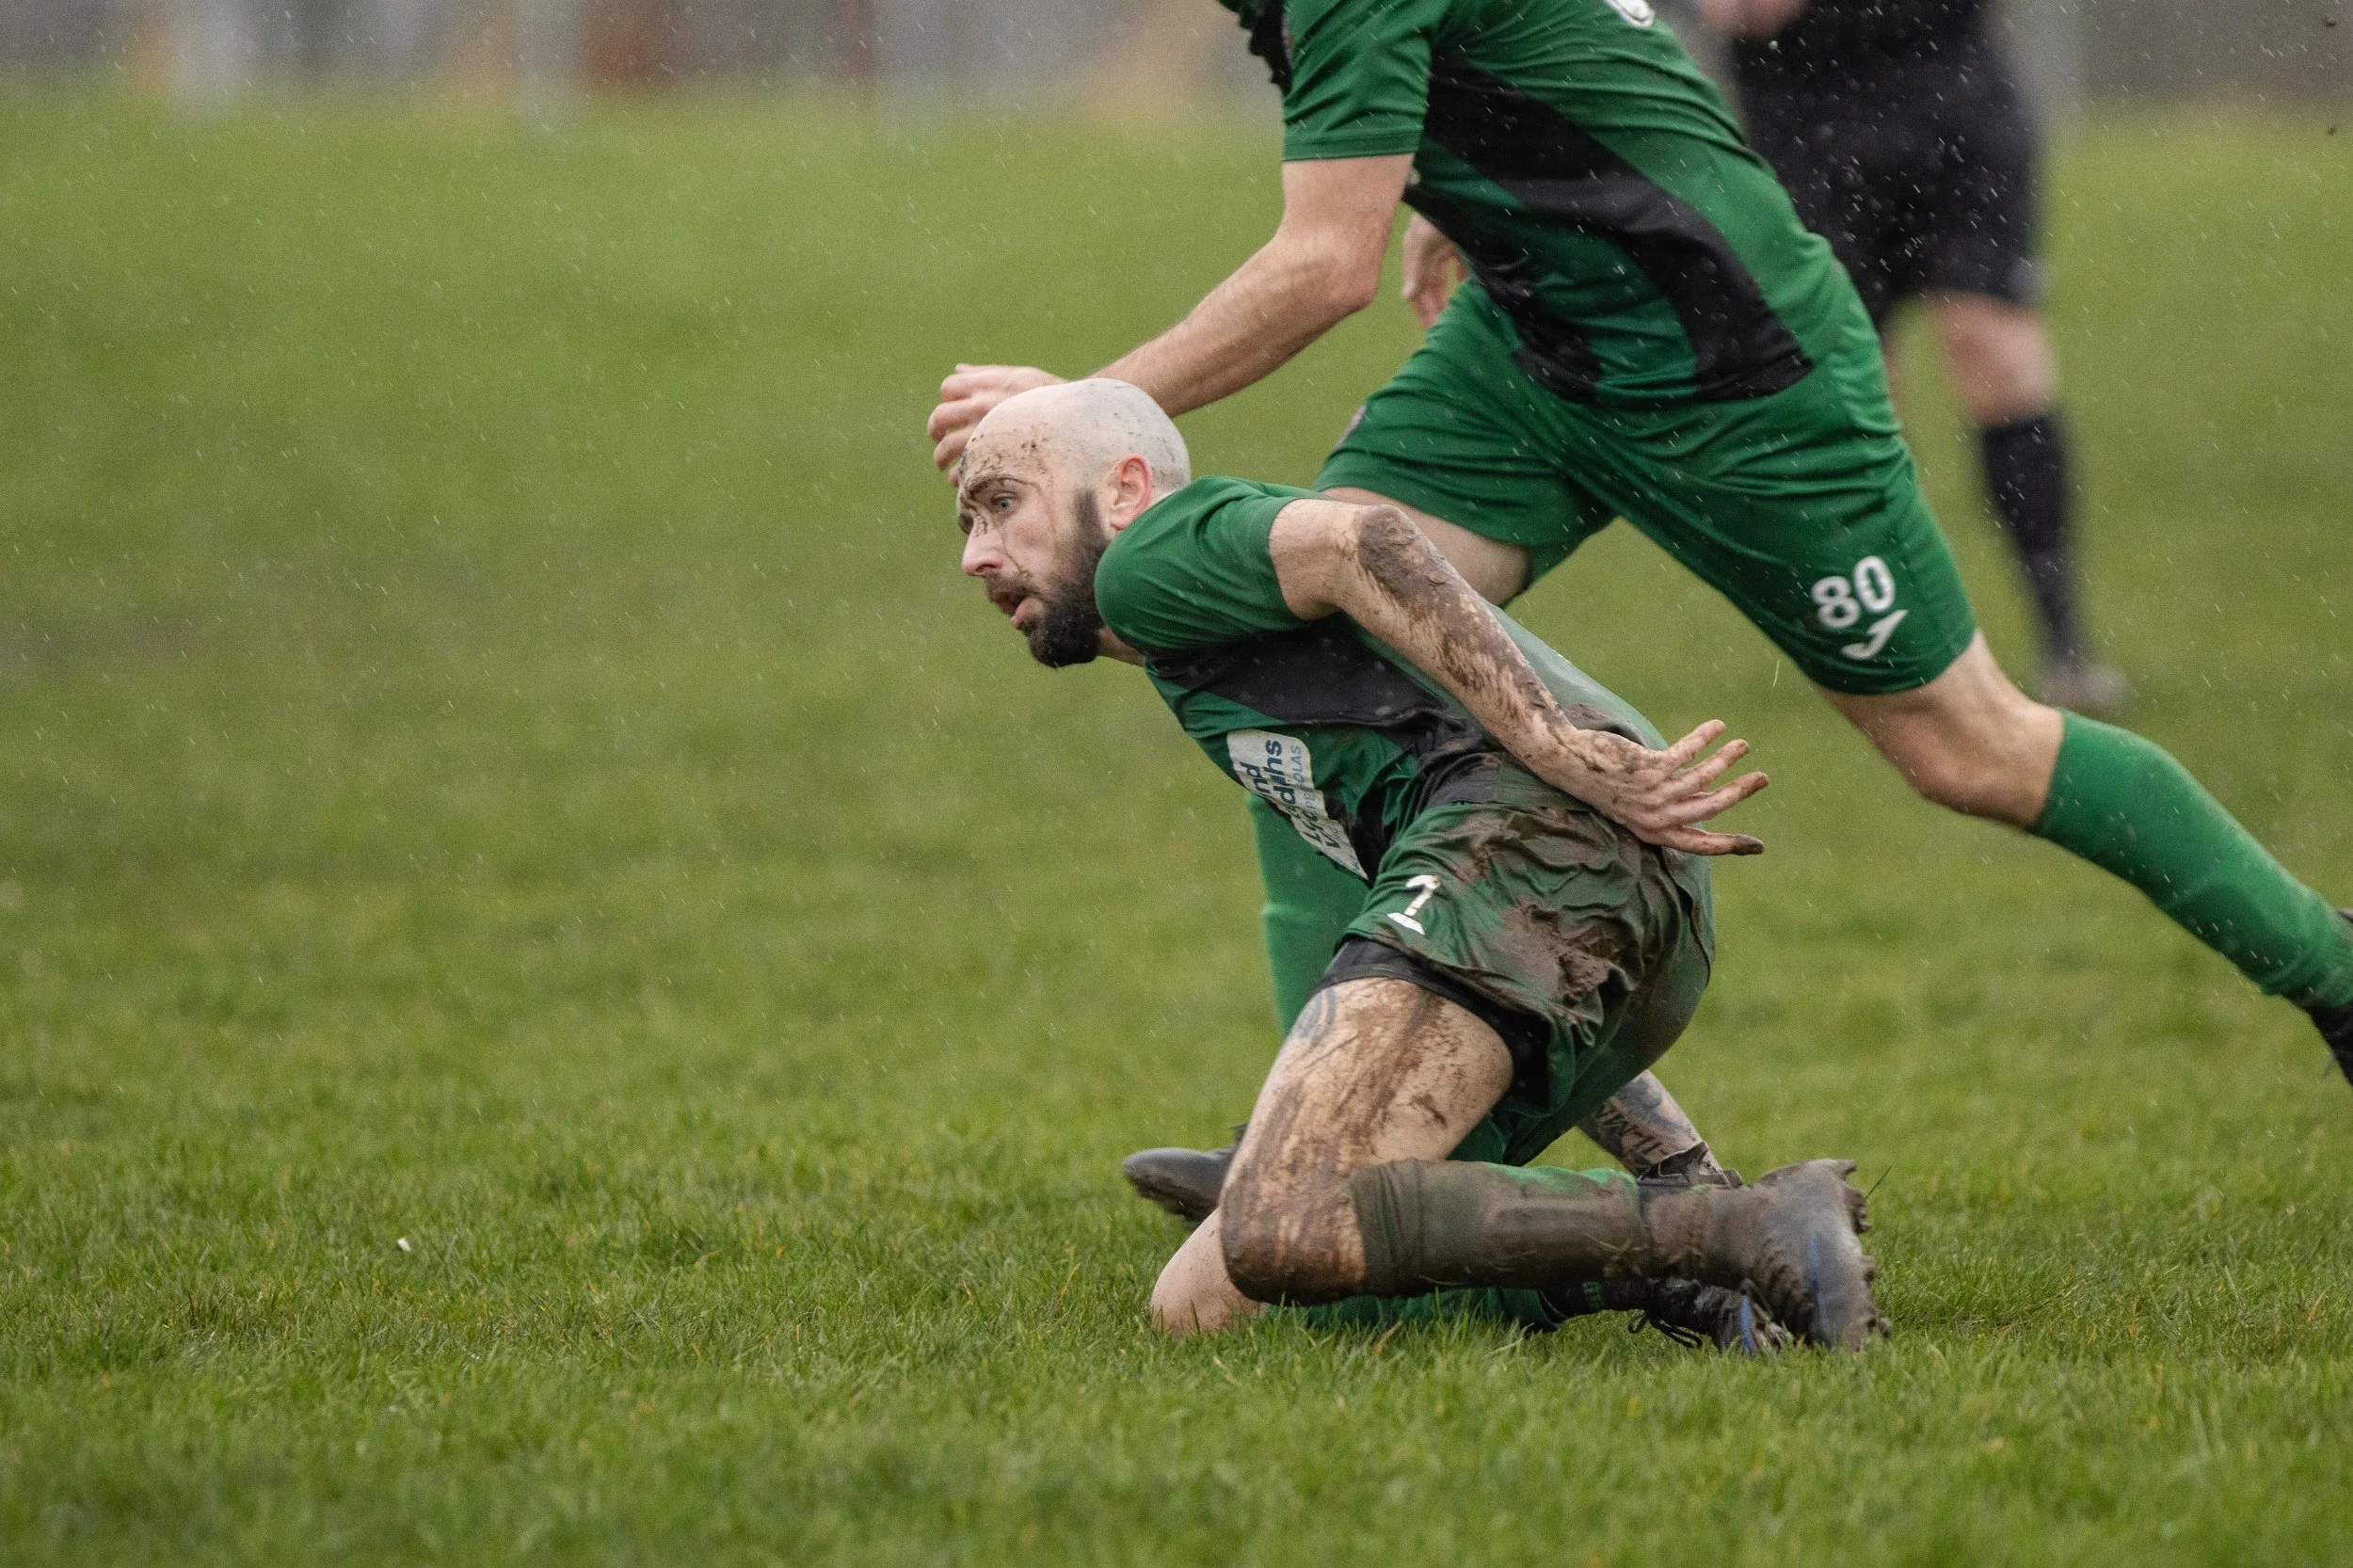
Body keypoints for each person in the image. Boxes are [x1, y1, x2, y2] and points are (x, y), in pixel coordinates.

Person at [926, 0, 2353, 1092]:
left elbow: (1321, 266)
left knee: (1966, 745)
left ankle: (2332, 967)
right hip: (1541, 339)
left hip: (1734, 364)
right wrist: (1470, 202)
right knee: (1291, 624)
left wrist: (1077, 412)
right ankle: (1328, 1110)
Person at [956, 377, 1884, 1350]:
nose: (977, 555)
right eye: (969, 519)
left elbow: (1363, 541)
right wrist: (1671, 1153)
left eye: (1003, 504)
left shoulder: (1145, 561)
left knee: (1286, 1220)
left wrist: (1551, 743)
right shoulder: (1204, 646)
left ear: (1124, 491)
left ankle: (1724, 1234)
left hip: (1534, 836)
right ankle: (1692, 1243)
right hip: (1613, 913)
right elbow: (1489, 965)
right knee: (1206, 1301)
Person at [1701, 0, 2123, 714]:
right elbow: (1740, 11)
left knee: (1999, 354)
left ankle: (2066, 646)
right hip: (1806, 119)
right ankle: (1890, 652)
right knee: (1855, 386)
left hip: (1952, 97)